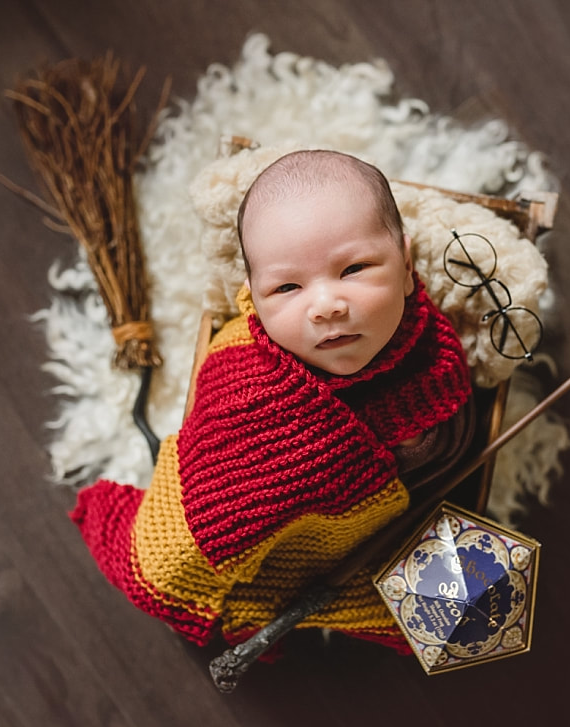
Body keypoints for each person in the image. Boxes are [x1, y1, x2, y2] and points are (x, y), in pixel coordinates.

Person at [70, 150, 474, 654]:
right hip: (303, 545)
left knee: (467, 601)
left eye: (354, 268)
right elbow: (205, 516)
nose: (326, 305)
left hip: (399, 515)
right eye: (286, 286)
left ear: (408, 265)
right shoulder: (246, 379)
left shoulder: (428, 350)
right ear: (254, 299)